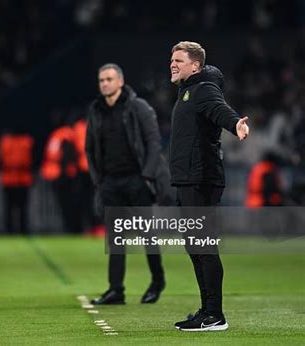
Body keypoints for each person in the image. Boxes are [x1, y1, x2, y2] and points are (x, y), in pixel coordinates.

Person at [169, 41, 249, 331]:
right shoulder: (188, 91)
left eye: (179, 60)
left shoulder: (203, 89)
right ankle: (207, 310)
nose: (173, 64)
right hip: (190, 178)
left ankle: (216, 315)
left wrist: (235, 124)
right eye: (171, 59)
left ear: (196, 66)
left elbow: (221, 110)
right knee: (195, 247)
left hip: (201, 179)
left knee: (204, 246)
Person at [86, 63, 173, 305]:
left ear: (120, 81)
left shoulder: (138, 107)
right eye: (101, 80)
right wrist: (99, 181)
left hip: (137, 180)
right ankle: (116, 290)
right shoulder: (96, 110)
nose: (104, 83)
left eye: (109, 79)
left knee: (148, 235)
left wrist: (146, 176)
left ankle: (157, 281)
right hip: (110, 182)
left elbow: (154, 144)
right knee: (115, 238)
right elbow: (90, 148)